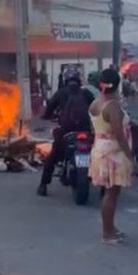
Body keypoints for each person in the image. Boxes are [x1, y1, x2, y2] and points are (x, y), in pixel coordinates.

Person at [89, 69, 133, 244]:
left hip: (100, 149)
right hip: (113, 153)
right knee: (111, 193)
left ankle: (110, 228)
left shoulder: (95, 103)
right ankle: (107, 233)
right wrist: (130, 155)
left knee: (110, 192)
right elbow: (119, 134)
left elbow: (94, 128)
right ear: (117, 85)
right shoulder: (112, 106)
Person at [37, 69, 94, 197]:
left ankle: (43, 185)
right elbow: (96, 109)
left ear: (65, 80)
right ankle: (105, 187)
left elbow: (48, 111)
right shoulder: (86, 93)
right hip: (86, 131)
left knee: (53, 156)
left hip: (66, 131)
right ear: (79, 80)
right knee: (97, 154)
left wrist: (46, 116)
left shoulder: (60, 93)